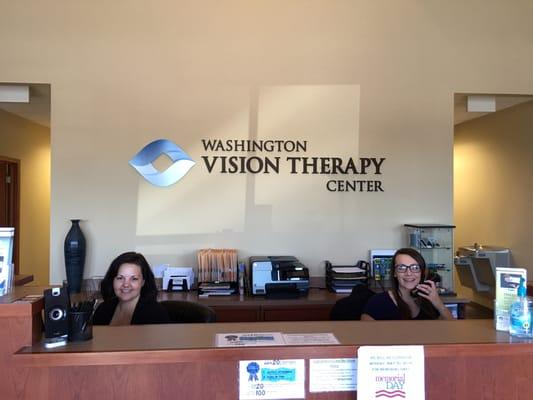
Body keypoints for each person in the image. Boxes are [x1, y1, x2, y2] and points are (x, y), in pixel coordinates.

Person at [361, 248, 453, 320]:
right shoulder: (378, 302)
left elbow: (451, 330)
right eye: (401, 267)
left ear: (422, 272)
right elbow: (364, 336)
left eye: (415, 267)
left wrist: (438, 303)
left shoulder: (429, 301)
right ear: (394, 273)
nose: (408, 273)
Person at [93, 251, 170, 325]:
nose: (126, 284)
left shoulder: (156, 313)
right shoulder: (103, 309)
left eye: (134, 279)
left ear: (142, 282)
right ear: (112, 280)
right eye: (120, 278)